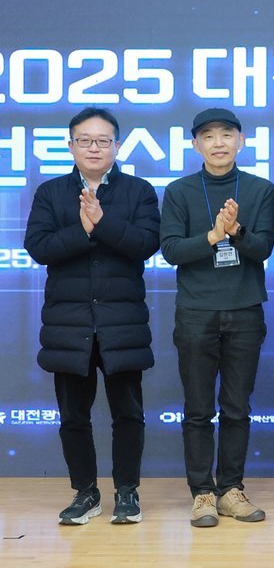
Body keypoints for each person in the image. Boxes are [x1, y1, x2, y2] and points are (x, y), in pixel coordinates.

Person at [25, 107, 160, 525]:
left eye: (103, 140)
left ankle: (127, 492)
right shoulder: (51, 192)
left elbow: (146, 244)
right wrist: (82, 230)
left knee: (128, 414)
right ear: (71, 146)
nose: (94, 148)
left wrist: (102, 223)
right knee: (73, 417)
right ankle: (85, 492)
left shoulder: (139, 191)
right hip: (70, 325)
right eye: (85, 140)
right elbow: (38, 247)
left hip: (122, 323)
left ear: (117, 146)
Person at [160, 108, 274, 527]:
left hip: (245, 310)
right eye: (208, 136)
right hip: (196, 312)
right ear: (196, 145)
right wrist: (212, 236)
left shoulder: (260, 189)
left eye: (226, 134)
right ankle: (202, 493)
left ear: (241, 141)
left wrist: (236, 231)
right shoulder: (179, 191)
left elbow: (263, 248)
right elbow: (171, 250)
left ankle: (230, 490)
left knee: (236, 408)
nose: (218, 143)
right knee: (197, 409)